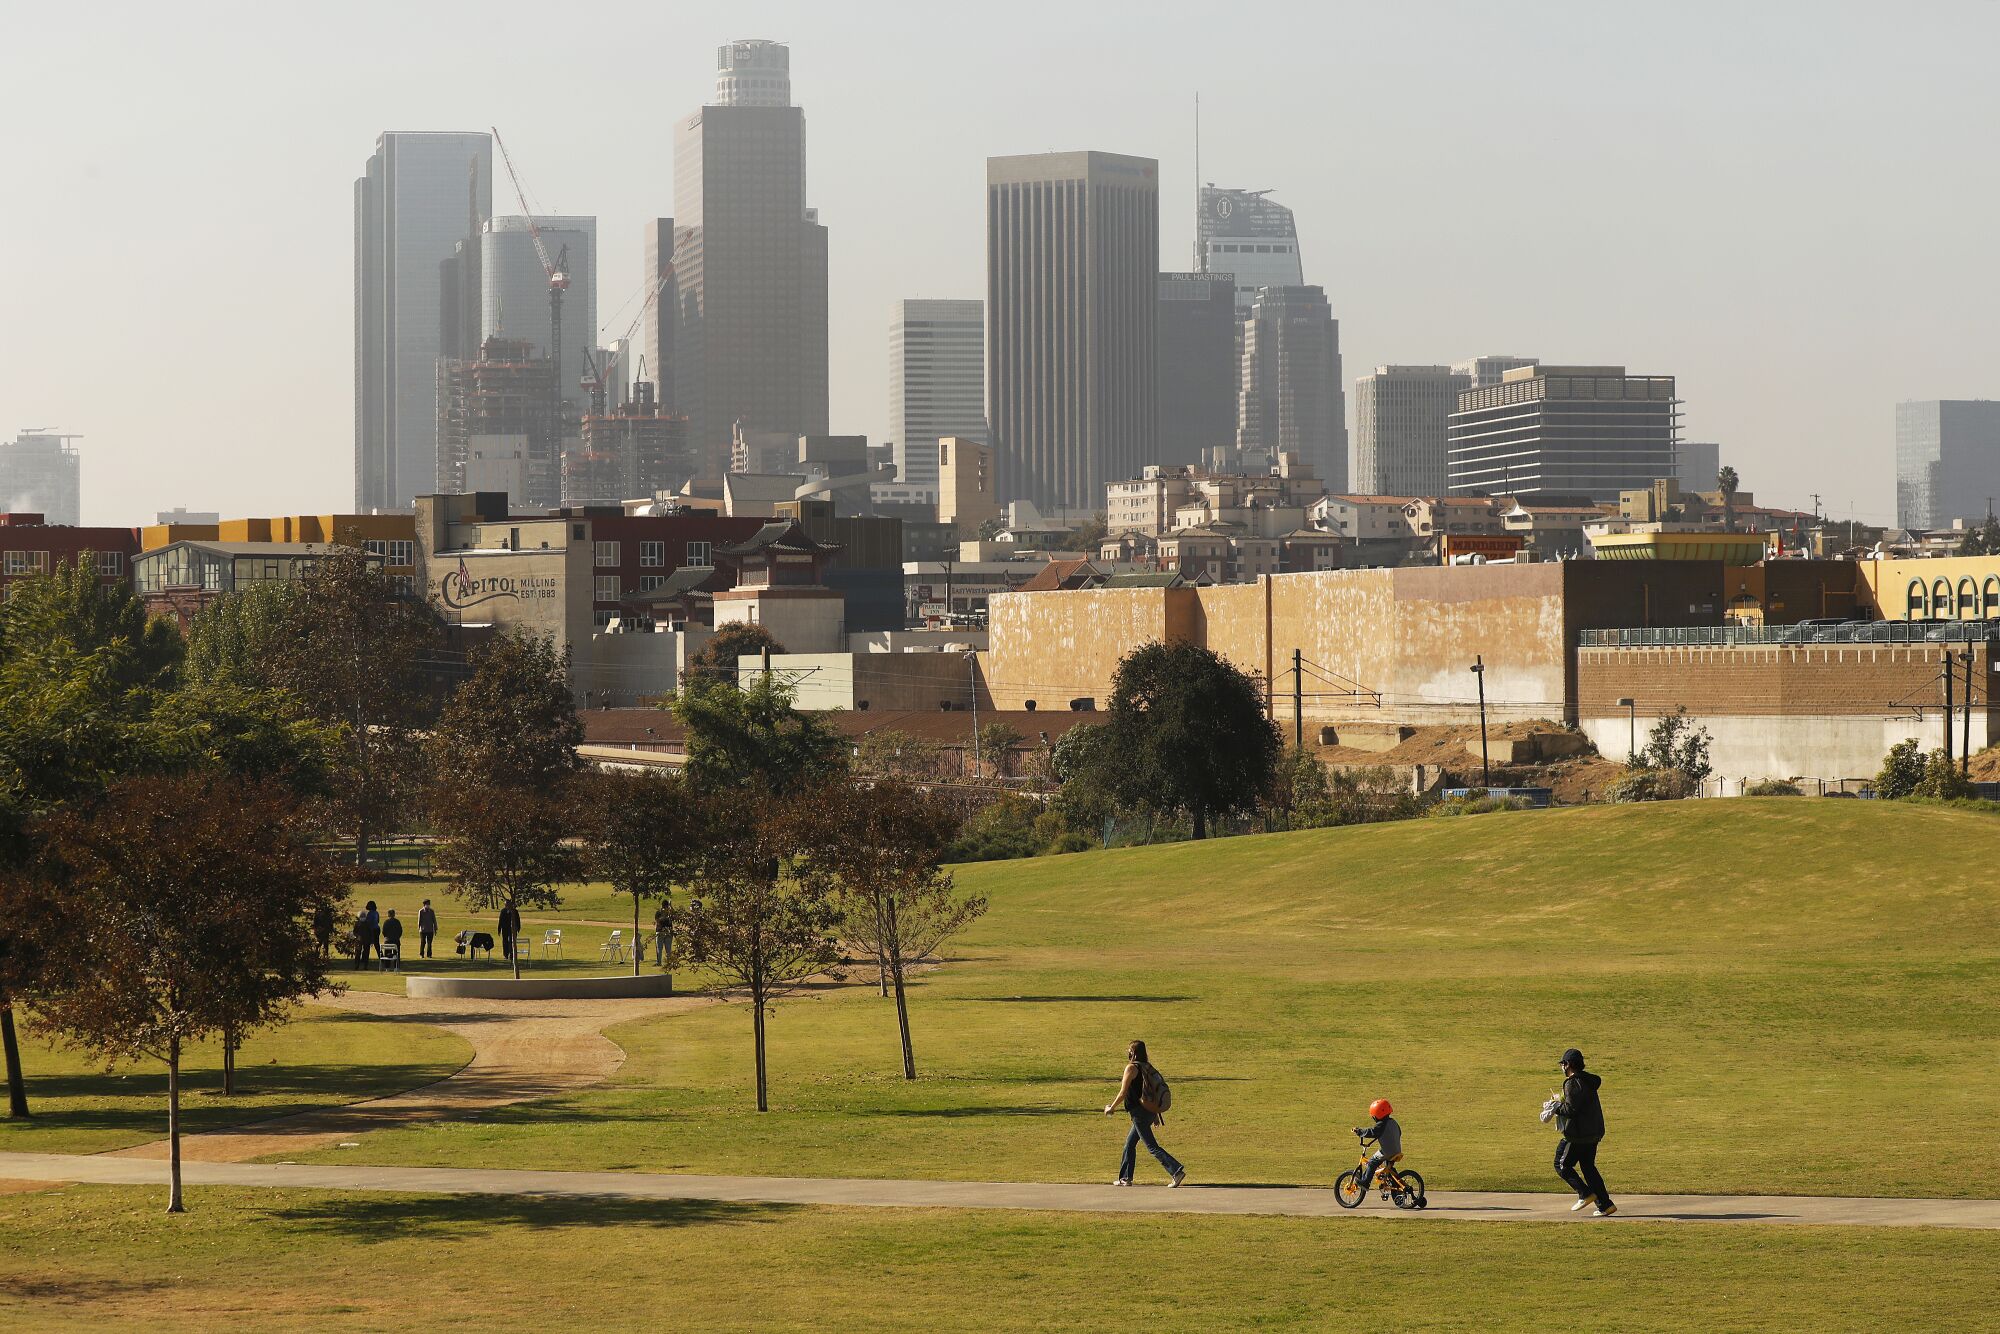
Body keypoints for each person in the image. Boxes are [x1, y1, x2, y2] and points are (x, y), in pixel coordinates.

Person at [1102, 1039, 1185, 1187]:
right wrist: (1155, 1114)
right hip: (1147, 1112)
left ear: (1133, 1052)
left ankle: (1176, 1171)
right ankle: (1125, 1178)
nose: (1128, 1053)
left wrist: (1112, 1108)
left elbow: (1123, 1092)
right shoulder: (1146, 1066)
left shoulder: (1131, 1068)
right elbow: (1150, 1091)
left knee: (1152, 1146)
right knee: (1129, 1143)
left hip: (1139, 1113)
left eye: (1129, 1050)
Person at [1552, 1047, 1615, 1217]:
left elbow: (1571, 1109)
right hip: (1593, 1133)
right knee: (1588, 1167)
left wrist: (1556, 1107)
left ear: (1568, 1065)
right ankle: (1605, 1205)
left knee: (1561, 1164)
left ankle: (1584, 1193)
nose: (1561, 1067)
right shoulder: (1588, 1081)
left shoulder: (1572, 1082)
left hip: (1577, 1134)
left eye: (1563, 1064)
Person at [1353, 1098, 1402, 1189]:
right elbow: (1399, 1132)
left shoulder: (1381, 1124)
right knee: (1388, 1167)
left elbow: (1371, 1132)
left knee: (1372, 1163)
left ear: (1377, 1115)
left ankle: (1365, 1183)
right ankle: (1395, 1183)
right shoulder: (1393, 1122)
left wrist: (1359, 1132)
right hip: (1397, 1149)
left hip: (1388, 1151)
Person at [355, 900, 380, 970]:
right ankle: (380, 957)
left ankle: (361, 960)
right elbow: (378, 921)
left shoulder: (369, 914)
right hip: (377, 929)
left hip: (370, 931)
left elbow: (367, 922)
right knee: (377, 944)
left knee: (365, 946)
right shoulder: (376, 913)